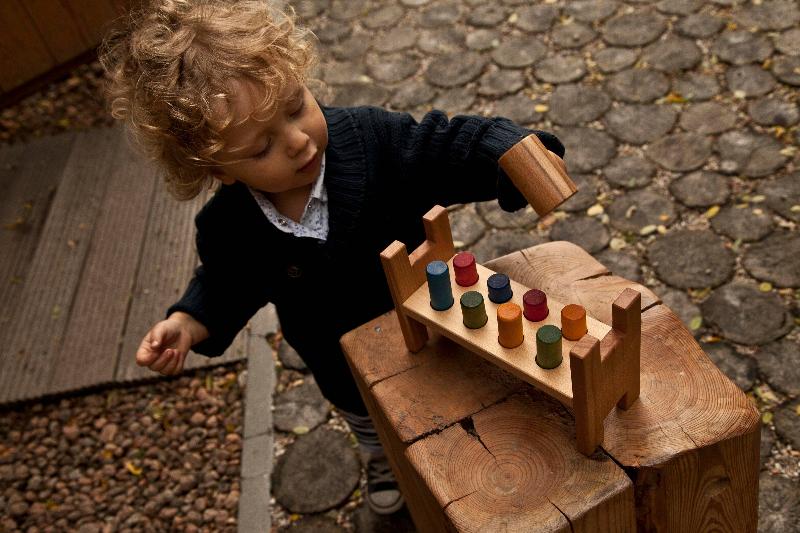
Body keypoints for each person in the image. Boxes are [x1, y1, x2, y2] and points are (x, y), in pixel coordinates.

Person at [100, 0, 565, 516]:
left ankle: (470, 442)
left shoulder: (372, 141)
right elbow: (227, 281)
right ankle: (384, 456)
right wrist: (190, 321)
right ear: (219, 169)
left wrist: (508, 152)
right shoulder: (229, 226)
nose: (299, 141)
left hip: (433, 326)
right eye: (261, 149)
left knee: (452, 398)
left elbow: (441, 146)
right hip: (340, 363)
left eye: (297, 106)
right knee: (368, 415)